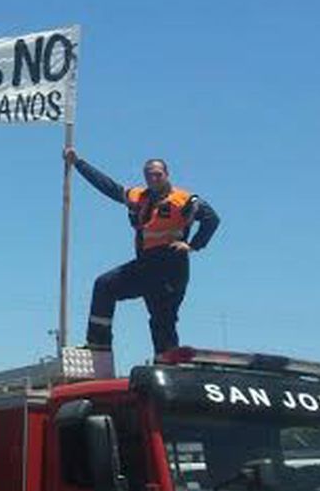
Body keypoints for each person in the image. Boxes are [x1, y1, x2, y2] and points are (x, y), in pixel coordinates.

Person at [65, 147, 220, 356]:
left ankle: (167, 363)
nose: (153, 178)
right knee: (105, 285)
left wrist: (192, 245)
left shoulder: (183, 200)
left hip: (171, 268)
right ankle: (98, 344)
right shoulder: (139, 197)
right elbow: (110, 188)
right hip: (145, 265)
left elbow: (212, 219)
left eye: (158, 174)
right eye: (149, 175)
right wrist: (79, 163)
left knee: (162, 320)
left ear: (167, 175)